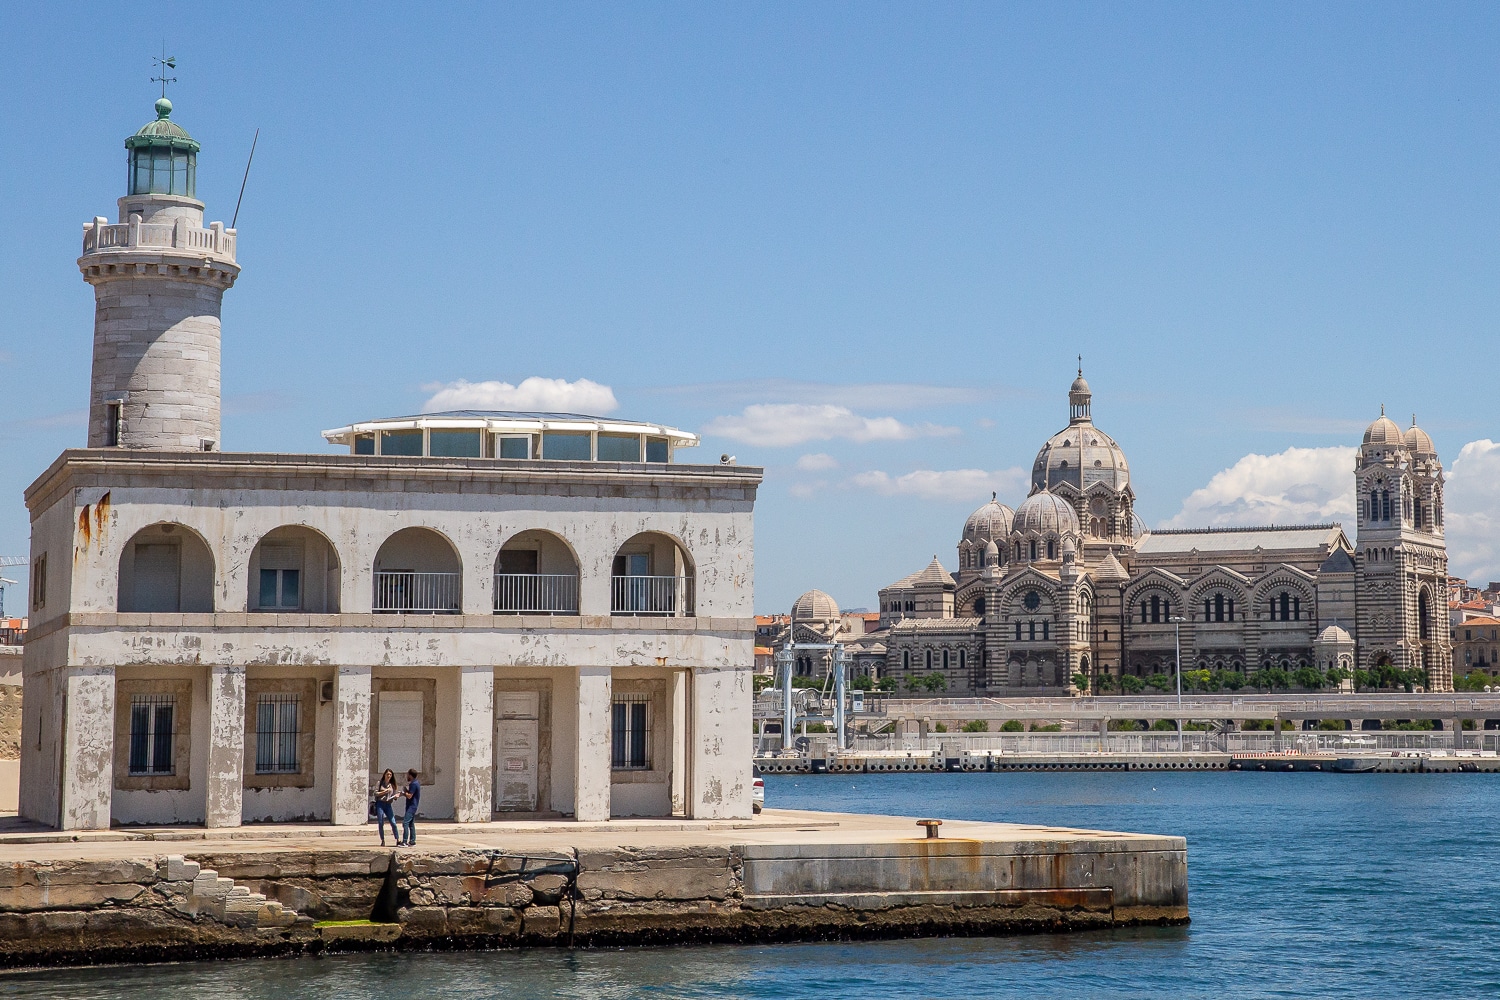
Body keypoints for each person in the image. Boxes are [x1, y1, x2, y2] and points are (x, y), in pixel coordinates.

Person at [374, 768, 399, 846]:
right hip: (380, 803)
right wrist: (384, 792)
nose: (389, 776)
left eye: (390, 775)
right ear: (384, 775)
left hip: (388, 804)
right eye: (387, 774)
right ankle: (382, 840)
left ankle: (397, 839)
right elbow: (375, 793)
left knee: (393, 822)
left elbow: (394, 795)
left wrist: (396, 796)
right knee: (381, 822)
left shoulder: (392, 785)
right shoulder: (380, 783)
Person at [400, 769, 421, 846]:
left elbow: (409, 796)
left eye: (407, 775)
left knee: (405, 823)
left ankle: (404, 841)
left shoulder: (413, 784)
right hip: (413, 806)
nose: (407, 776)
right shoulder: (416, 783)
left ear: (410, 775)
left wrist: (403, 793)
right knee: (411, 824)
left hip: (411, 807)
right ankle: (412, 841)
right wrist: (406, 790)